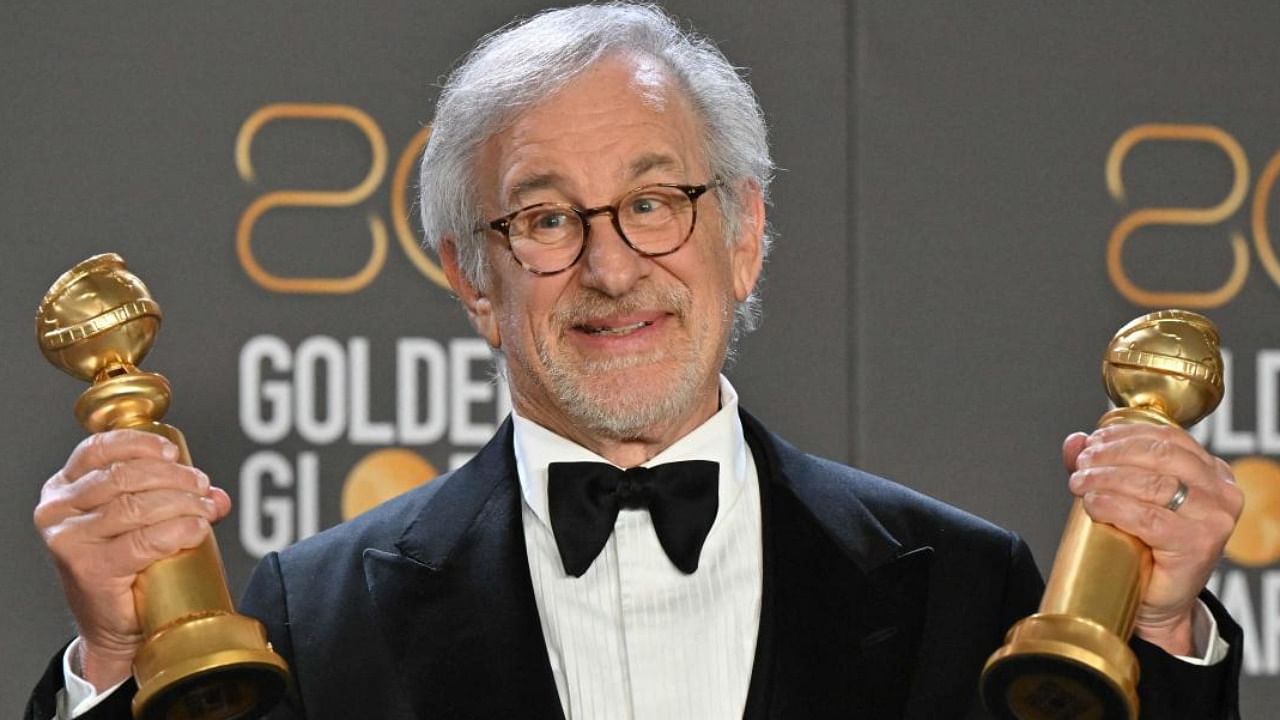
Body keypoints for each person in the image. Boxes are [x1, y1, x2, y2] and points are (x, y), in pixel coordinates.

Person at [27, 4, 1243, 719]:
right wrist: (117, 669)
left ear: (745, 234)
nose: (612, 269)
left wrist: (1163, 627)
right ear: (471, 276)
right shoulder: (308, 613)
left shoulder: (966, 592)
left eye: (655, 201)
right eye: (546, 218)